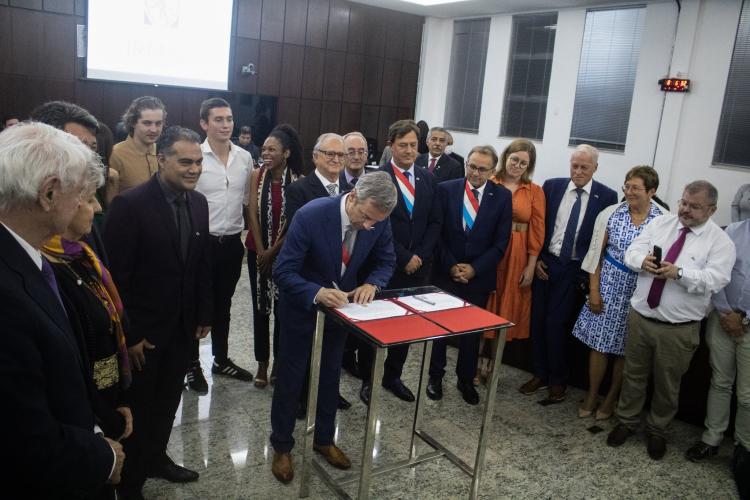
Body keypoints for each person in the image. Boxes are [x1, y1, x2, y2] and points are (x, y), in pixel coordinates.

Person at [0, 122, 123, 496]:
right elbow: (22, 436)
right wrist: (105, 458)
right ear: (50, 193)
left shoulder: (25, 257)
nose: (93, 205)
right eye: (83, 193)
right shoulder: (6, 297)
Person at [104, 126, 212, 496]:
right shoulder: (130, 205)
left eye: (198, 162)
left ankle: (157, 458)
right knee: (141, 407)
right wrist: (130, 335)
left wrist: (203, 314)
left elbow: (198, 265)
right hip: (144, 335)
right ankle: (130, 480)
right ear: (162, 159)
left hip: (182, 329)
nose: (194, 169)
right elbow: (117, 279)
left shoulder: (199, 203)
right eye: (185, 162)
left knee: (168, 402)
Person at [269, 172, 397, 484]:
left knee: (329, 377)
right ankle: (282, 445)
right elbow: (282, 270)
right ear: (352, 197)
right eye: (365, 217)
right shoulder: (311, 215)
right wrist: (316, 292)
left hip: (340, 316)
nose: (368, 226)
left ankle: (324, 439)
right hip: (301, 311)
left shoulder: (377, 220)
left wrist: (373, 282)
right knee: (291, 378)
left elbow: (386, 261)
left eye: (374, 223)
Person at [607, 180, 735, 461]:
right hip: (642, 317)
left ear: (712, 210)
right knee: (633, 375)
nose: (685, 210)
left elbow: (717, 279)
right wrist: (643, 262)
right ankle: (626, 421)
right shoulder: (662, 224)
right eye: (683, 203)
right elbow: (632, 251)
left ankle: (657, 430)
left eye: (694, 206)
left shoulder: (720, 241)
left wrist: (679, 273)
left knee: (668, 384)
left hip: (678, 329)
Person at [42, 165, 134, 444]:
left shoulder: (81, 253)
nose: (97, 208)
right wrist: (102, 418)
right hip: (86, 413)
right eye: (92, 198)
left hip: (107, 394)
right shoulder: (49, 268)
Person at [520, 144, 618, 402]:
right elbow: (538, 225)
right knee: (538, 321)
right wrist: (538, 257)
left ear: (595, 168)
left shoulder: (606, 196)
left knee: (556, 324)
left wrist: (586, 276)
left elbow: (602, 240)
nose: (578, 171)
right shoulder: (551, 187)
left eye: (584, 167)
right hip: (546, 262)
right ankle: (539, 374)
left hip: (574, 269)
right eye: (575, 165)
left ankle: (558, 380)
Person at [359, 119, 442, 406]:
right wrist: (404, 257)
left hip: (419, 267)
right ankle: (369, 378)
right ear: (391, 146)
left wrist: (419, 255)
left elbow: (435, 221)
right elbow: (375, 224)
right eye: (403, 145)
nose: (409, 150)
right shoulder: (377, 178)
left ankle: (393, 375)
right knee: (378, 323)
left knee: (406, 324)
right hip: (385, 265)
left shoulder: (428, 178)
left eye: (413, 145)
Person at [572, 166, 665, 420]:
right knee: (599, 345)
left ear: (652, 191)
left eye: (635, 188)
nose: (629, 192)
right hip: (608, 285)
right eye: (627, 186)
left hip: (639, 291)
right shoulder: (611, 213)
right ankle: (592, 394)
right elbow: (595, 254)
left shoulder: (663, 219)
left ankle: (611, 398)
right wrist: (594, 290)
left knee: (626, 349)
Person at [426, 145, 512, 405]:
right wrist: (452, 265)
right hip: (445, 273)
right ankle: (435, 378)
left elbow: (501, 242)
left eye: (481, 169)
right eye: (471, 166)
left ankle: (465, 380)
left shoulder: (503, 196)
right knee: (439, 330)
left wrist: (474, 269)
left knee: (471, 334)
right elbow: (436, 233)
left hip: (479, 277)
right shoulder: (446, 189)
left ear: (493, 171)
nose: (475, 172)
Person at [187, 98, 253, 393]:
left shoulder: (244, 157)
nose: (226, 125)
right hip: (201, 244)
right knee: (196, 305)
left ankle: (221, 359)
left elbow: (247, 201)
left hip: (231, 243)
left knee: (223, 305)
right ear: (204, 123)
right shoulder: (195, 156)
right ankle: (191, 365)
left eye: (229, 119)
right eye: (218, 119)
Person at [284, 133, 352, 410]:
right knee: (302, 348)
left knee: (333, 350)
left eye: (341, 155)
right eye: (329, 154)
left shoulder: (352, 188)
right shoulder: (299, 190)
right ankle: (301, 396)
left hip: (343, 282)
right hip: (310, 279)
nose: (336, 160)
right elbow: (297, 237)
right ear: (315, 156)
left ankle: (328, 393)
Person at [685, 217, 748, 465]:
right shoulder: (733, 231)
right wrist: (725, 312)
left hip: (748, 326)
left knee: (747, 395)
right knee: (720, 383)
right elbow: (717, 273)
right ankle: (711, 439)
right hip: (722, 319)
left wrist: (744, 318)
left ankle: (744, 449)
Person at [246, 124, 304, 387]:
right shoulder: (257, 175)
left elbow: (294, 222)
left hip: (285, 254)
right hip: (256, 251)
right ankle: (262, 363)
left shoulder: (300, 181)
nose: (266, 153)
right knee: (260, 308)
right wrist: (261, 251)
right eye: (264, 148)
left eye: (272, 149)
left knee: (282, 309)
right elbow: (252, 215)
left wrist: (272, 252)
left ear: (287, 153)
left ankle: (279, 363)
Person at [484, 139, 545, 384]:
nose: (518, 165)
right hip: (489, 249)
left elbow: (538, 230)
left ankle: (494, 362)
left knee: (506, 306)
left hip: (517, 253)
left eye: (524, 163)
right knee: (485, 302)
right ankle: (476, 358)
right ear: (505, 157)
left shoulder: (534, 191)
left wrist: (531, 265)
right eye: (514, 159)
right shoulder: (491, 182)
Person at [29, 100, 114, 266]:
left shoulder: (87, 194)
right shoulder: (29, 215)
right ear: (44, 144)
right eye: (79, 146)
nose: (89, 157)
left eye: (93, 148)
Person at [340, 130, 378, 378]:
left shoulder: (377, 184)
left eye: (361, 151)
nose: (356, 156)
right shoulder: (334, 184)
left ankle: (357, 366)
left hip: (365, 272)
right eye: (350, 151)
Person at [109, 96, 165, 194]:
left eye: (158, 123)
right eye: (147, 123)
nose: (154, 129)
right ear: (133, 123)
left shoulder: (164, 152)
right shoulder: (115, 154)